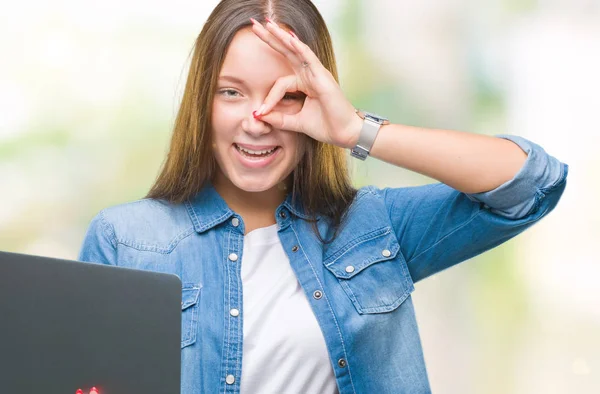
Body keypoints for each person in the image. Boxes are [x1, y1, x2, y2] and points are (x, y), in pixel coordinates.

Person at [78, 1, 568, 393]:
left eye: (285, 95)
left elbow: (531, 183)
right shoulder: (125, 238)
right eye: (231, 92)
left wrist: (355, 128)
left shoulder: (372, 228)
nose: (258, 118)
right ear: (200, 102)